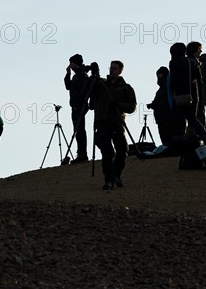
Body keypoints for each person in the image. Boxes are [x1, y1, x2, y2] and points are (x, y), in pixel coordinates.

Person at [89, 61, 137, 190]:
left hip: (116, 121)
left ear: (120, 70)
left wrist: (119, 104)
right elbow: (90, 96)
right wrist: (93, 77)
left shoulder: (126, 88)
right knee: (107, 152)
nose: (112, 70)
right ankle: (109, 180)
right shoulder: (101, 84)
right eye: (111, 68)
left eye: (115, 68)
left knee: (122, 150)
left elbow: (132, 107)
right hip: (102, 122)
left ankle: (116, 174)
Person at [169, 42, 206, 140]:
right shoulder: (190, 62)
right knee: (192, 118)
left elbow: (173, 81)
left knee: (179, 119)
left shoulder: (172, 63)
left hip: (177, 94)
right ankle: (204, 136)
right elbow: (199, 78)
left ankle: (179, 139)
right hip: (192, 93)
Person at [64, 54, 90, 164]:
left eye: (71, 63)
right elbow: (68, 86)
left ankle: (82, 154)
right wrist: (68, 74)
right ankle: (81, 153)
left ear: (75, 63)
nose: (70, 65)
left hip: (79, 107)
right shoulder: (77, 75)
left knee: (79, 130)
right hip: (76, 106)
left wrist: (78, 105)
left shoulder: (82, 75)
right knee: (78, 130)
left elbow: (82, 93)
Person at [147, 66, 173, 145]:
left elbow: (164, 102)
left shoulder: (167, 88)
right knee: (164, 137)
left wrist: (154, 104)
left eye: (160, 75)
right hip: (161, 118)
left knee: (168, 137)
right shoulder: (161, 90)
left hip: (167, 118)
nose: (158, 77)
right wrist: (153, 104)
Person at [186, 41, 206, 133]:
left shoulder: (185, 61)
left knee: (189, 117)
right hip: (195, 93)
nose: (201, 51)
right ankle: (201, 136)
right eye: (199, 50)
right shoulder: (195, 63)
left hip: (185, 94)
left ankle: (189, 136)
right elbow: (199, 80)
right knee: (198, 116)